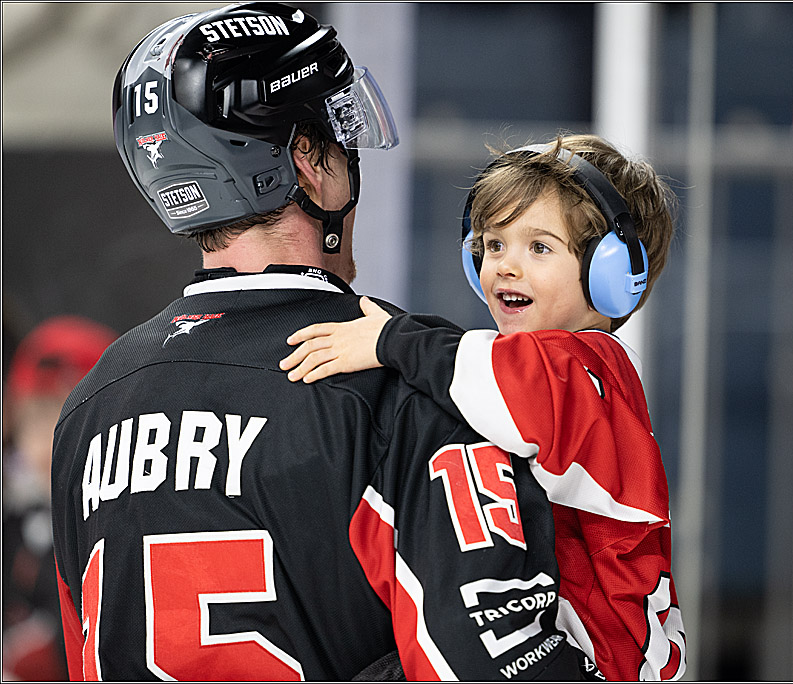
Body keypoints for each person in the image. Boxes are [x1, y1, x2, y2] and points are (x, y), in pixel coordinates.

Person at [50, 4, 579, 680]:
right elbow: (488, 666)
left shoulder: (91, 404)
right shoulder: (410, 372)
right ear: (305, 162)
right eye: (337, 136)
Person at [279, 134, 687, 680]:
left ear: (612, 274)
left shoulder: (583, 368)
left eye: (539, 248)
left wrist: (389, 341)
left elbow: (499, 380)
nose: (504, 267)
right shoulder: (583, 370)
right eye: (493, 245)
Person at [3, 316, 118, 681]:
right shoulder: (16, 517)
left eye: (58, 418)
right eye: (32, 420)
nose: (41, 444)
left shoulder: (113, 517)